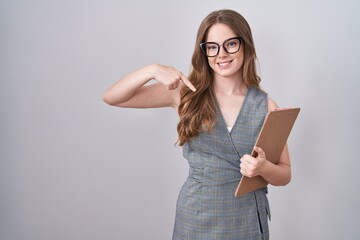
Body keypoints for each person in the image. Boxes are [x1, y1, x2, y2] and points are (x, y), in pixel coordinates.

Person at [103, 9, 291, 240]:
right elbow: (113, 97)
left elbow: (284, 174)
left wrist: (263, 168)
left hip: (247, 219)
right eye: (212, 47)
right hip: (197, 216)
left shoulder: (266, 105)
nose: (221, 54)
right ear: (204, 52)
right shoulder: (186, 93)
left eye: (230, 44)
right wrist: (151, 70)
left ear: (246, 45)